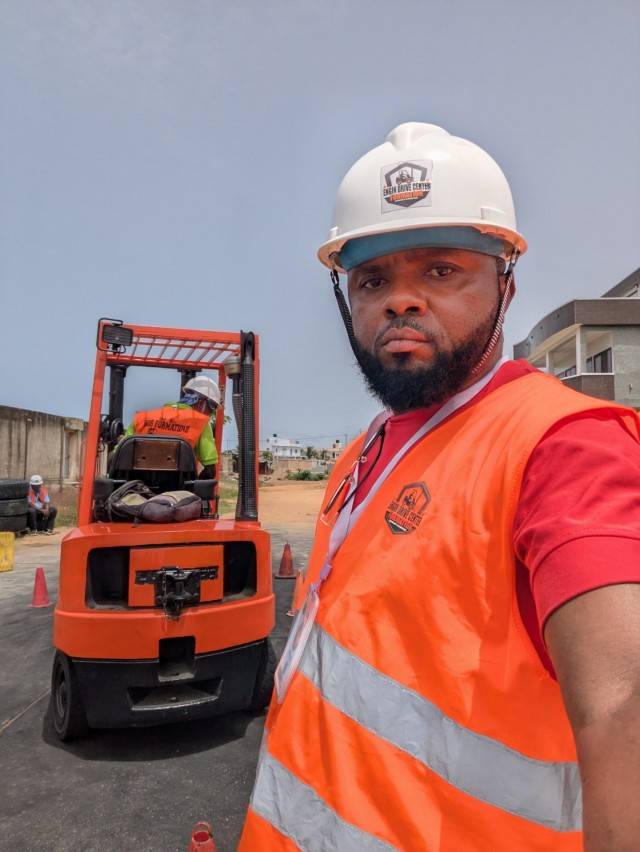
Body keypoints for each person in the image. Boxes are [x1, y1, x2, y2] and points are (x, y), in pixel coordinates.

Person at [240, 123, 640, 851]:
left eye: (440, 271)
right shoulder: (361, 454)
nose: (401, 301)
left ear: (506, 283)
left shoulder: (565, 447)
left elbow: (622, 707)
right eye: (373, 280)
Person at [123, 375, 220, 478]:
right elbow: (210, 470)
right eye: (212, 408)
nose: (210, 414)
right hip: (179, 485)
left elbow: (119, 454)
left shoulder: (142, 418)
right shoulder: (200, 423)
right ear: (201, 402)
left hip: (138, 482)